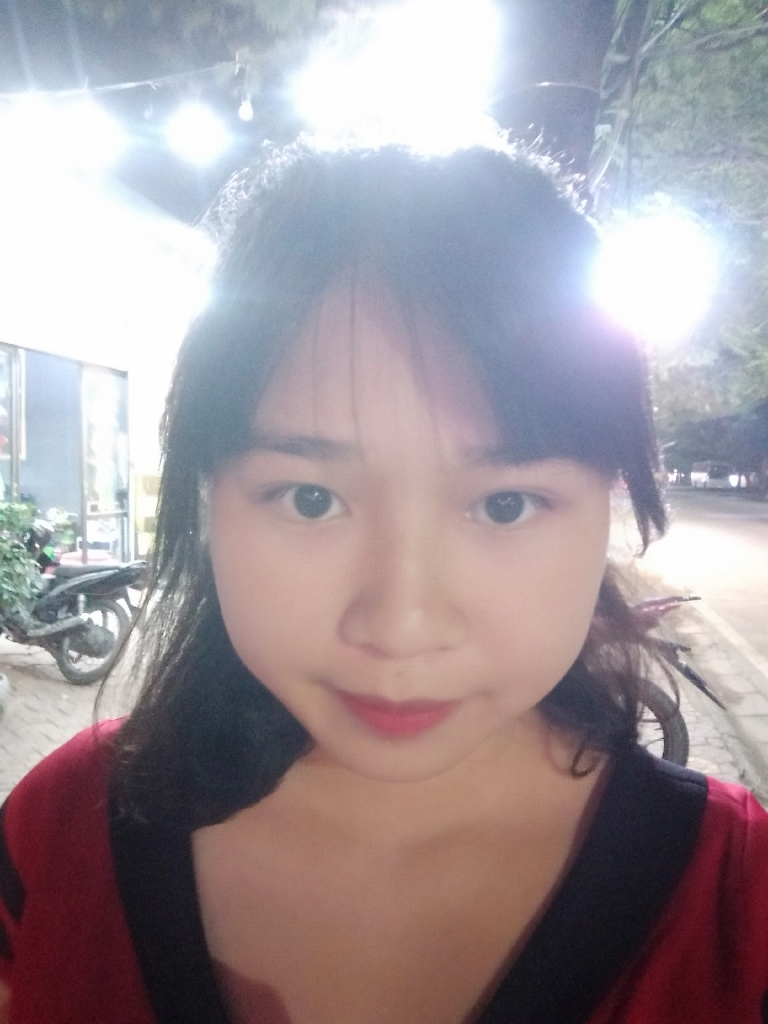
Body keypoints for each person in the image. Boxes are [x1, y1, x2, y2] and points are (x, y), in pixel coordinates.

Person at [0, 139, 766, 1024]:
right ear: (206, 499)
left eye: (506, 504)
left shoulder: (738, 905)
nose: (401, 625)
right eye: (311, 498)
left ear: (611, 503)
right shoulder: (62, 831)